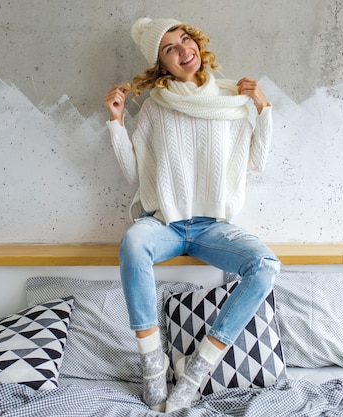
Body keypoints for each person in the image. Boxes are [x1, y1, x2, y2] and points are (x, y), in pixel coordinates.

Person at [103, 17, 280, 412]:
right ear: (161, 65)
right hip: (165, 223)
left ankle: (199, 369)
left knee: (265, 264)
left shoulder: (232, 100)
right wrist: (116, 121)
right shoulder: (154, 108)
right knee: (133, 242)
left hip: (212, 227)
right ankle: (152, 364)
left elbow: (257, 162)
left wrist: (263, 108)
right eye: (170, 48)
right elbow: (135, 172)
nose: (184, 50)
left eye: (185, 39)